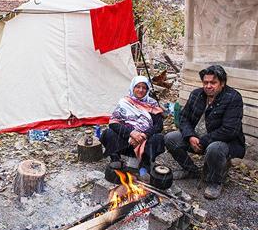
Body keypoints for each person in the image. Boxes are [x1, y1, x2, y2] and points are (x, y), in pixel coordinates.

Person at [164, 65, 245, 199]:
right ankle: (191, 171)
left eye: (213, 83)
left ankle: (215, 181)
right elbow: (183, 117)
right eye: (205, 82)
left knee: (215, 148)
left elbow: (230, 130)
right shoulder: (197, 94)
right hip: (196, 139)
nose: (208, 86)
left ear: (222, 83)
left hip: (224, 143)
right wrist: (190, 136)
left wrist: (203, 140)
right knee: (170, 138)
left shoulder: (233, 98)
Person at [100, 76, 165, 176]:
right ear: (132, 88)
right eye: (138, 87)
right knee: (108, 133)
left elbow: (159, 126)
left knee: (159, 138)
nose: (140, 90)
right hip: (125, 143)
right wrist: (131, 133)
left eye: (144, 87)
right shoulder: (125, 102)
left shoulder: (152, 104)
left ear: (147, 90)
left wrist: (143, 135)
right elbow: (113, 123)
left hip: (145, 142)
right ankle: (116, 159)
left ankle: (145, 163)